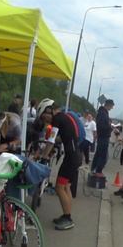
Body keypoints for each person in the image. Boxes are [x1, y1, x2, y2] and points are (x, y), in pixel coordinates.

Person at [37, 98, 83, 230]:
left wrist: (44, 155)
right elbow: (59, 137)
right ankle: (66, 215)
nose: (45, 120)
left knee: (59, 187)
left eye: (44, 116)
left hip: (71, 159)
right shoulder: (63, 117)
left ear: (49, 110)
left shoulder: (57, 119)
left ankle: (68, 218)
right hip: (75, 156)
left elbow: (51, 140)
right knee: (66, 187)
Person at [91, 98, 114, 177]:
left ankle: (94, 169)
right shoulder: (103, 113)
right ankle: (98, 170)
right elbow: (102, 126)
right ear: (109, 105)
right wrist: (110, 127)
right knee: (103, 155)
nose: (112, 108)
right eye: (112, 106)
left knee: (99, 153)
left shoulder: (103, 112)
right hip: (103, 136)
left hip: (102, 136)